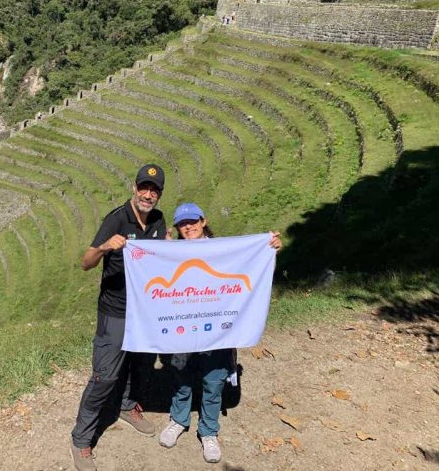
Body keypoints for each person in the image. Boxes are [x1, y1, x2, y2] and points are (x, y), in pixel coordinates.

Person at [158, 202, 282, 463]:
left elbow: (253, 271)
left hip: (219, 331)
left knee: (213, 383)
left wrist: (269, 251)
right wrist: (161, 251)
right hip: (184, 329)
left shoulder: (224, 251)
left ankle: (209, 431)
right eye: (182, 223)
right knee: (181, 378)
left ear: (203, 222)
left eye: (192, 221)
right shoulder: (174, 252)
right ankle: (178, 420)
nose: (188, 226)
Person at [71, 164, 168, 471]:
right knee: (105, 376)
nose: (147, 194)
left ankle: (127, 406)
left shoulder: (158, 220)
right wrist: (104, 247)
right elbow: (86, 263)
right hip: (114, 311)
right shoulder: (116, 218)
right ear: (134, 187)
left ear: (159, 194)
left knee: (139, 364)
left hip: (144, 311)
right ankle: (81, 439)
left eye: (153, 190)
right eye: (144, 187)